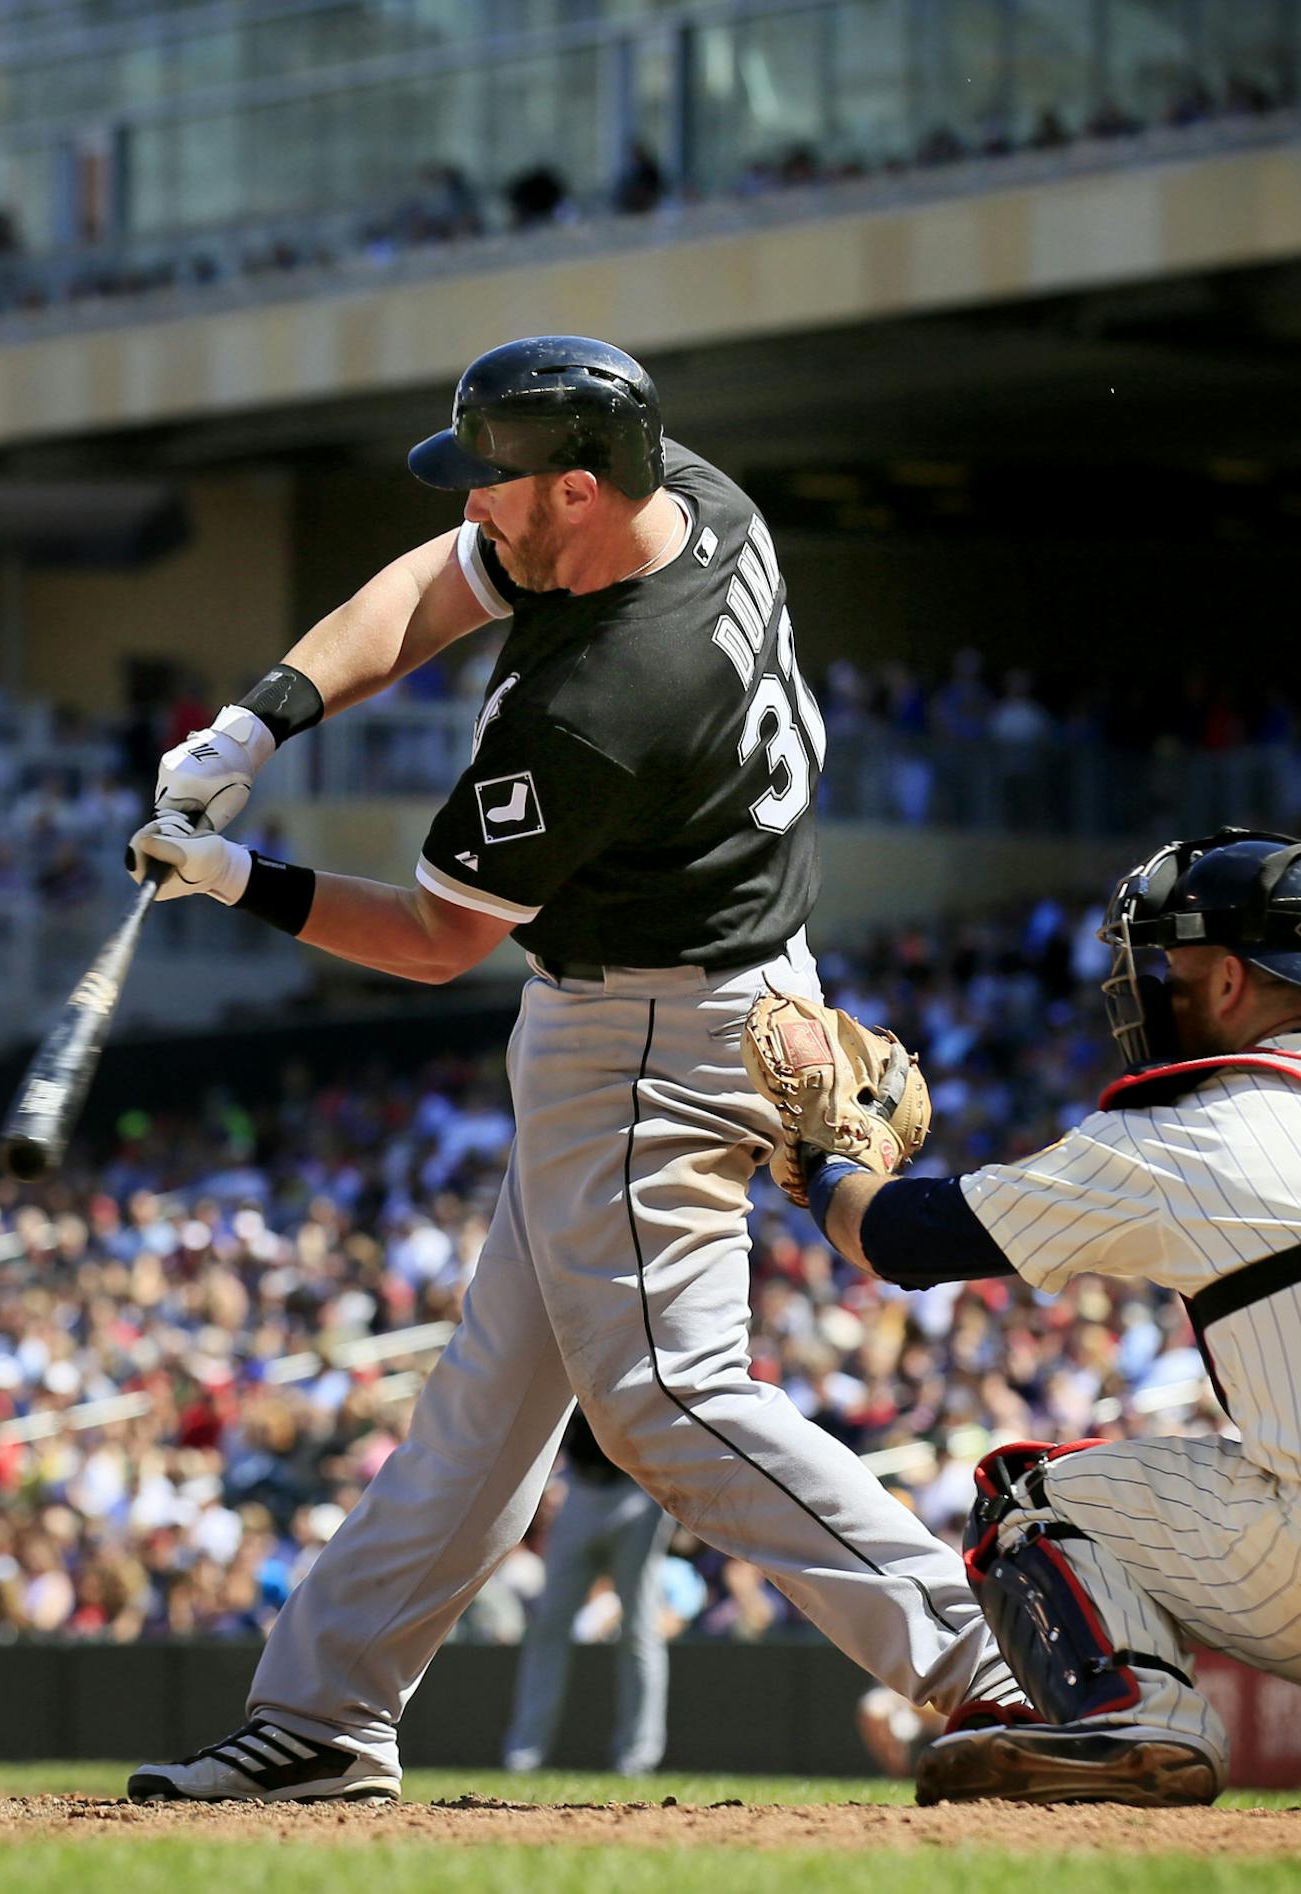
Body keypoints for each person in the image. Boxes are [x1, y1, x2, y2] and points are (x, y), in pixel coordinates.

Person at [121, 334, 1018, 1804]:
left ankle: (993, 1659)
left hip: (652, 1035)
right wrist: (258, 716)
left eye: (500, 482)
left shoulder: (606, 696)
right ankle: (329, 1710)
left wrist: (237, 877)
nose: (475, 505)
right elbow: (431, 583)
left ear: (583, 492)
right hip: (691, 979)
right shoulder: (696, 499)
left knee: (669, 1395)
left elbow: (429, 939)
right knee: (491, 1402)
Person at [756, 829, 1301, 1808]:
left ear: (1226, 981)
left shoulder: (1184, 1129)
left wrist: (823, 1160)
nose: (1149, 986)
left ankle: (1136, 1718)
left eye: (1169, 962)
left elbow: (902, 1238)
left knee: (1026, 1498)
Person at [502, 1411, 672, 1777]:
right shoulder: (582, 1354)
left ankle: (639, 1756)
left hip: (640, 1489)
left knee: (640, 1629)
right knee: (549, 1626)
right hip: (581, 1488)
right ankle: (525, 1752)